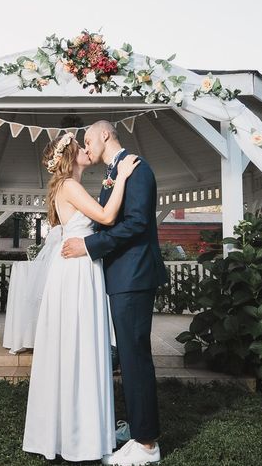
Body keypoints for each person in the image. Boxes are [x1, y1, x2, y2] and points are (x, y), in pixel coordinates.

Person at [22, 131, 140, 462]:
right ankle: (79, 435)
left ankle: (74, 431)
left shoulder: (71, 187)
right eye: (83, 147)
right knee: (79, 344)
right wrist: (122, 178)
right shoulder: (70, 187)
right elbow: (105, 218)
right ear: (72, 156)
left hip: (79, 268)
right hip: (76, 273)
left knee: (76, 346)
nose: (88, 149)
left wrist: (106, 189)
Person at [61, 120, 167, 466]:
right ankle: (137, 427)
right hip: (122, 278)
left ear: (105, 135)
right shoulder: (114, 173)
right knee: (129, 358)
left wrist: (88, 247)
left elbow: (136, 224)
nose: (86, 148)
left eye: (88, 140)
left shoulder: (136, 168)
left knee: (136, 359)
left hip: (134, 276)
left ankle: (147, 445)